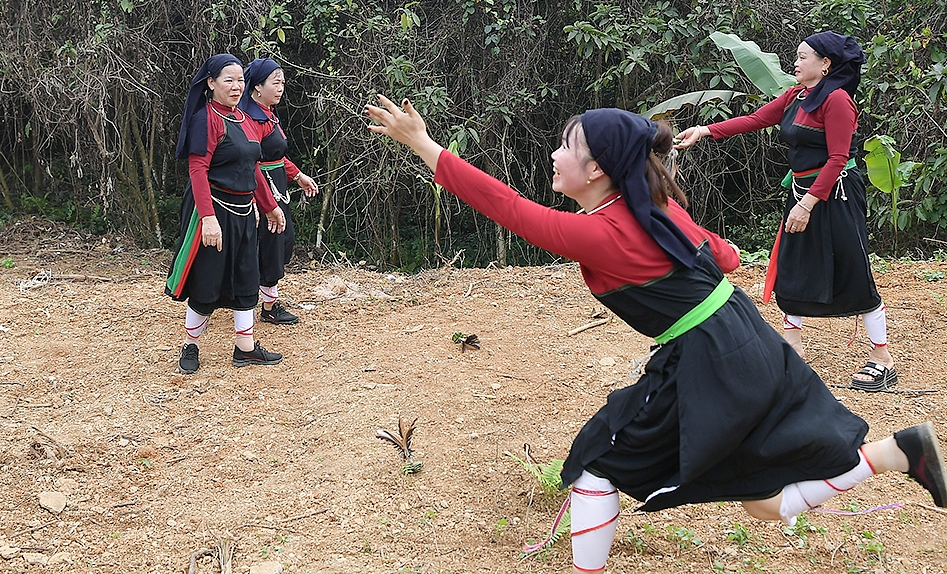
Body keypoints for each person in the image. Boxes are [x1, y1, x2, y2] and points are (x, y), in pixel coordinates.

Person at [365, 94, 946, 574]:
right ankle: (901, 451)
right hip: (745, 341)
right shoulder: (654, 207)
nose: (554, 154)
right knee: (764, 499)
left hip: (711, 358)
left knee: (598, 463)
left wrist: (424, 144)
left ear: (596, 169)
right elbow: (728, 258)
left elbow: (511, 209)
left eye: (566, 146)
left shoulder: (609, 231)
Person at [675, 32, 894, 390]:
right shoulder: (797, 96)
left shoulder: (837, 101)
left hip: (835, 194)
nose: (795, 62)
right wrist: (705, 130)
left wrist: (807, 205)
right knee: (792, 265)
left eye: (803, 56)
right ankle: (792, 353)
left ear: (825, 65)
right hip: (802, 190)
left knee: (852, 266)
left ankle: (882, 359)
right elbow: (757, 119)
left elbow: (838, 158)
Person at [166, 54, 288, 374]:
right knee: (207, 281)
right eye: (228, 81)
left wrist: (269, 206)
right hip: (215, 211)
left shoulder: (246, 120)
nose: (236, 87)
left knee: (247, 277)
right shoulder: (206, 118)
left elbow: (254, 168)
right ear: (211, 83)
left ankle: (245, 349)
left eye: (240, 81)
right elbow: (197, 169)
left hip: (245, 213)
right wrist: (207, 218)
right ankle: (191, 345)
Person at [239, 58, 319, 326]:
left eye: (283, 82)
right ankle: (261, 304)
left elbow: (277, 156)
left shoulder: (270, 114)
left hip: (277, 185)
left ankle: (265, 300)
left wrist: (298, 176)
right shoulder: (249, 119)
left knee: (282, 242)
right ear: (258, 87)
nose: (281, 87)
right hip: (258, 187)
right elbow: (248, 160)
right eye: (276, 82)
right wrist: (253, 197)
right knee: (265, 244)